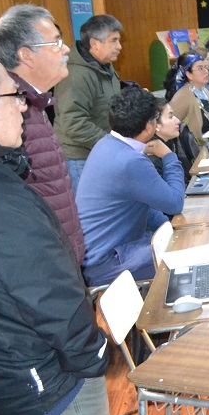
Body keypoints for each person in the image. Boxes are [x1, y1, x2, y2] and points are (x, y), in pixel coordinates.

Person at [0, 48, 119, 415]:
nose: (25, 105)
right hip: (44, 387)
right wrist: (95, 355)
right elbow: (50, 297)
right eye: (15, 97)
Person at [0, 4, 85, 265]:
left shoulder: (33, 105)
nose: (66, 49)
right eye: (56, 42)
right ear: (26, 55)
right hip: (46, 263)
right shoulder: (11, 113)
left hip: (60, 258)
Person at [77, 87, 186, 287]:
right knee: (187, 260)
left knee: (182, 244)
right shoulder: (131, 161)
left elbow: (145, 205)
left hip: (106, 254)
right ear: (149, 127)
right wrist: (169, 156)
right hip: (109, 263)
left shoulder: (106, 144)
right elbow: (175, 203)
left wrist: (172, 229)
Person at [54, 13, 123, 193]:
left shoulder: (104, 66)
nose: (119, 47)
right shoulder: (76, 75)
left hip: (99, 152)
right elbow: (73, 123)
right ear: (94, 43)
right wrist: (110, 143)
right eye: (114, 41)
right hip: (80, 159)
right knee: (90, 217)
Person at [169, 51, 209, 142]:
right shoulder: (183, 96)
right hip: (197, 148)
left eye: (206, 67)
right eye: (200, 69)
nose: (206, 72)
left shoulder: (205, 91)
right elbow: (169, 127)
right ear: (189, 74)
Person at [149, 98, 195, 185]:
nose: (178, 121)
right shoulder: (152, 160)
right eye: (170, 117)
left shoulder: (171, 142)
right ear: (156, 124)